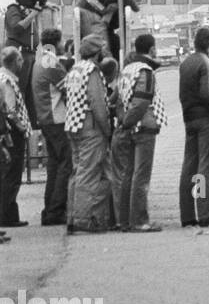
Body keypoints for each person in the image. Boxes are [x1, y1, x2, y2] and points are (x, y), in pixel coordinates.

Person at [110, 33, 166, 233]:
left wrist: (124, 120)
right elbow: (142, 102)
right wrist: (130, 121)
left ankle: (124, 220)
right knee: (141, 177)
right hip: (143, 127)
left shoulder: (126, 70)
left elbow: (115, 100)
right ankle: (140, 221)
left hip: (130, 127)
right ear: (151, 50)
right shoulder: (145, 72)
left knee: (128, 175)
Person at [64, 35, 115, 234]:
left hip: (73, 126)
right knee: (87, 174)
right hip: (90, 128)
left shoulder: (75, 69)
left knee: (78, 172)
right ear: (96, 52)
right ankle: (83, 220)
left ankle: (76, 216)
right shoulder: (92, 71)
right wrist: (107, 129)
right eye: (102, 49)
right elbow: (98, 104)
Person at [178, 27, 209, 228]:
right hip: (206, 119)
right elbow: (207, 93)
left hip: (189, 118)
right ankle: (205, 213)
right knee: (205, 169)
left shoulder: (186, 62)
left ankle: (187, 215)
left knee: (189, 167)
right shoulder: (206, 61)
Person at [31, 28, 72, 227]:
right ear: (57, 42)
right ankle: (56, 210)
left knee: (55, 166)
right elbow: (68, 87)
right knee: (66, 163)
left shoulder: (39, 60)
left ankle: (49, 210)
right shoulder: (51, 62)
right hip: (56, 118)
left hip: (45, 118)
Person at [0, 46, 32, 228]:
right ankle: (7, 215)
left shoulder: (4, 78)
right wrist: (21, 128)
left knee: (8, 174)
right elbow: (10, 110)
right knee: (12, 174)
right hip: (13, 133)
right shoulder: (8, 82)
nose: (22, 63)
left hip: (9, 132)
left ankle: (8, 213)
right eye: (20, 60)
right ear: (14, 62)